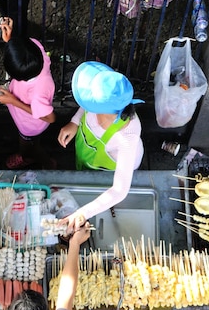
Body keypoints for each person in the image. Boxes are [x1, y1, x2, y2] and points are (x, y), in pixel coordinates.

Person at [57, 61, 144, 231]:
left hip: (107, 167)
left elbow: (119, 190)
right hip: (86, 152)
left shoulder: (128, 136)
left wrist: (83, 213)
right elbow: (86, 104)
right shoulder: (108, 103)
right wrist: (74, 122)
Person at [0, 17, 56, 169]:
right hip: (27, 118)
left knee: (29, 144)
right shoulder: (36, 49)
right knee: (30, 142)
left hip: (30, 125)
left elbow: (50, 118)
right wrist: (11, 42)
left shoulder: (37, 93)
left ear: (20, 77)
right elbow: (24, 48)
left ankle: (40, 161)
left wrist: (12, 101)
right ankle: (30, 155)